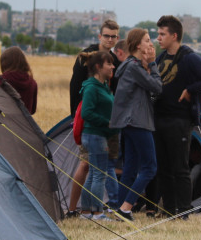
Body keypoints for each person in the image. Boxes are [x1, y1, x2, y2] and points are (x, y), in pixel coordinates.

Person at [153, 15, 201, 218]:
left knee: (180, 168)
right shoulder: (161, 58)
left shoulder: (189, 58)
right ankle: (168, 210)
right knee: (163, 168)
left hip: (180, 120)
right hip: (160, 119)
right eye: (158, 34)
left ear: (174, 36)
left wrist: (191, 89)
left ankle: (183, 211)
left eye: (162, 34)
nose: (159, 38)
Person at [64, 20, 123, 217]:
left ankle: (87, 209)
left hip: (102, 124)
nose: (110, 39)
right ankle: (74, 208)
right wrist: (76, 118)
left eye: (114, 36)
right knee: (86, 165)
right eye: (107, 35)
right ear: (99, 36)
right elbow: (75, 88)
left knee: (93, 165)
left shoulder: (113, 59)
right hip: (88, 121)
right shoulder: (86, 58)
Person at [109, 28, 162, 222]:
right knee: (149, 167)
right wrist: (154, 63)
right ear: (138, 45)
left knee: (130, 168)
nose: (151, 44)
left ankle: (120, 211)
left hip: (128, 123)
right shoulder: (134, 68)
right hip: (138, 122)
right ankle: (125, 208)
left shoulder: (129, 66)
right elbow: (157, 87)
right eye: (147, 41)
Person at [78, 51, 117, 220]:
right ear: (98, 67)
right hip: (95, 135)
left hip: (97, 135)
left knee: (94, 173)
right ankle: (98, 212)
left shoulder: (103, 86)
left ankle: (86, 212)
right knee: (100, 174)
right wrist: (106, 123)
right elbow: (87, 112)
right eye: (109, 64)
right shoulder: (92, 87)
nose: (113, 67)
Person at [0, 46, 38, 114]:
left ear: (5, 64)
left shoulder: (2, 80)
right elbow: (32, 111)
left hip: (5, 123)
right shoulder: (33, 83)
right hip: (24, 124)